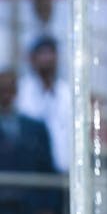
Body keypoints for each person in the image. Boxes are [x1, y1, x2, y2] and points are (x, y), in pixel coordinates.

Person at [0, 69, 58, 214]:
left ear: (16, 91)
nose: (6, 94)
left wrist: (47, 206)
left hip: (30, 205)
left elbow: (47, 170)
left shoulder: (36, 128)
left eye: (9, 88)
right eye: (2, 89)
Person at [16, 36, 71, 175]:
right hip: (31, 170)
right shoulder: (21, 91)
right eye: (42, 54)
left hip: (63, 167)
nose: (47, 59)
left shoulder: (67, 93)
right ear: (32, 59)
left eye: (50, 53)